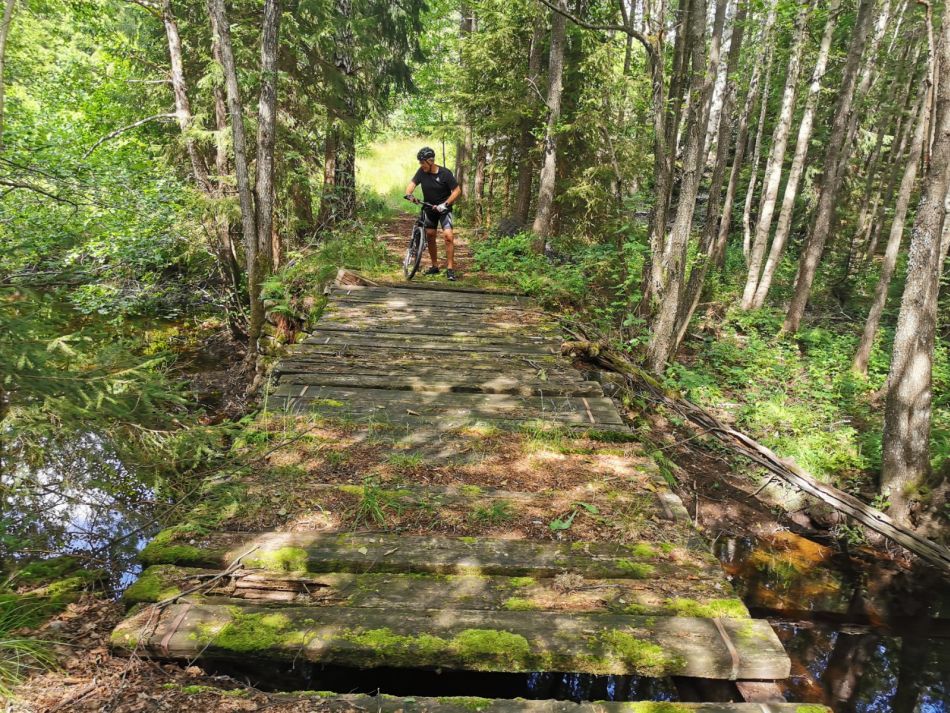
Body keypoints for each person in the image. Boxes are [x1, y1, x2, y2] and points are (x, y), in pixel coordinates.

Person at [404, 146, 462, 281]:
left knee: (448, 237)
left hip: (444, 209)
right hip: (429, 208)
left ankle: (450, 269)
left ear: (431, 161)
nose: (421, 165)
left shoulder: (445, 174)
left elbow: (457, 191)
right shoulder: (421, 172)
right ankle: (435, 266)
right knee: (430, 236)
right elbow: (411, 185)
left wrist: (445, 204)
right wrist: (409, 194)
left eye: (422, 163)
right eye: (420, 163)